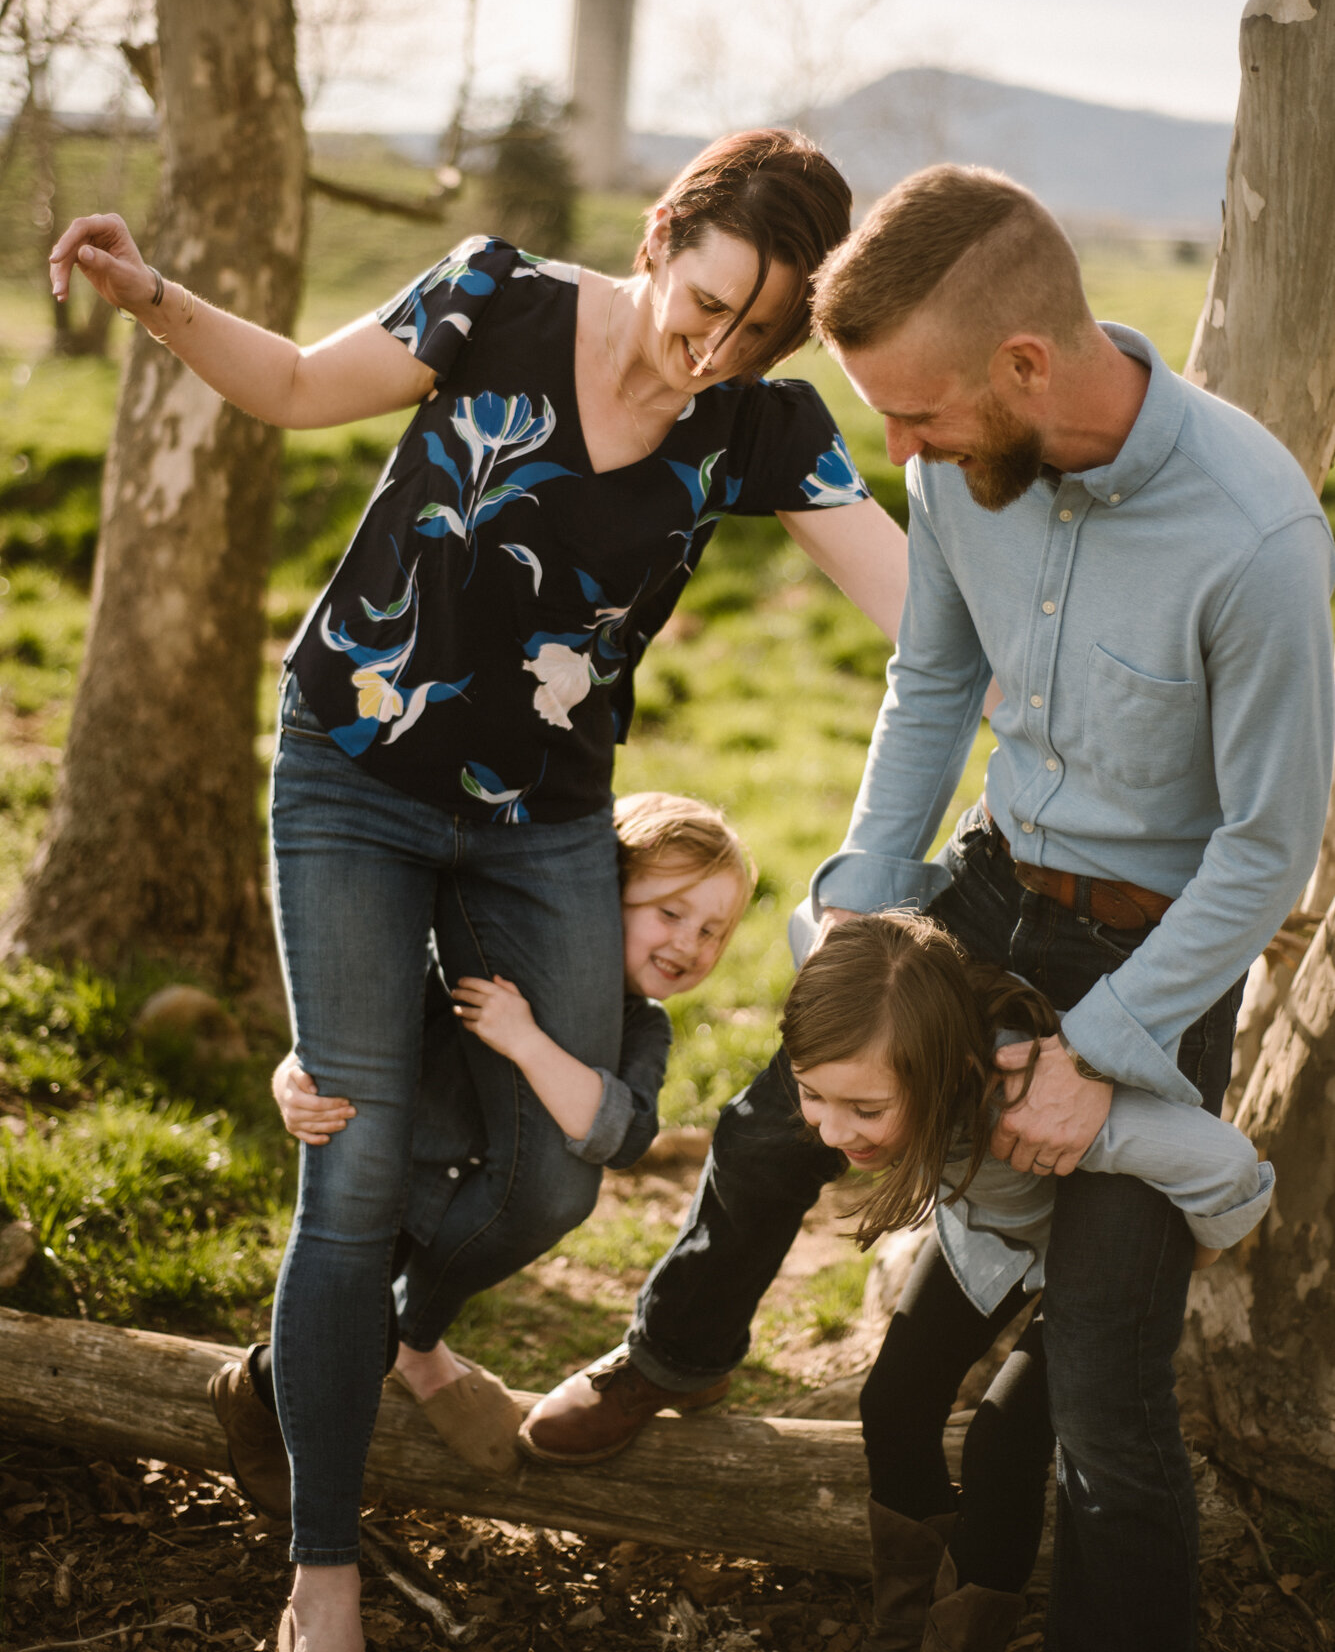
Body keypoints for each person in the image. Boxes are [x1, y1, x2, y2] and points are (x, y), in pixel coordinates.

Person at [49, 128, 909, 1652]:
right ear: (656, 234)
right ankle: (323, 1566)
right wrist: (153, 295)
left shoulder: (762, 427)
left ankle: (394, 1337)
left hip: (541, 822)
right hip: (352, 782)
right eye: (698, 301)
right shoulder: (492, 298)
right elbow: (305, 388)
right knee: (356, 1168)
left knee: (555, 1171)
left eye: (752, 331)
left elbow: (915, 607)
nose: (707, 347)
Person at [518, 163, 1335, 1652]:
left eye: (912, 414)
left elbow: (1265, 849)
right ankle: (676, 1351)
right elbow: (930, 685)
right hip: (985, 881)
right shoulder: (960, 468)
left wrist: (1103, 1055)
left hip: (1160, 949)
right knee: (777, 1123)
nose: (893, 452)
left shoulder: (1255, 541)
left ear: (1024, 364)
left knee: (1100, 1382)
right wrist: (860, 903)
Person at [781, 909, 1273, 1652]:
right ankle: (901, 1624)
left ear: (943, 1070)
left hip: (1092, 1258)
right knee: (892, 1402)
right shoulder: (859, 1015)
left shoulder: (1020, 1101)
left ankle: (964, 1636)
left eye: (866, 1109)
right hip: (992, 1238)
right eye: (811, 1094)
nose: (832, 1131)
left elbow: (1229, 1166)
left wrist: (1190, 1255)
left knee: (1002, 1443)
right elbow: (803, 921)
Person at [242, 790, 755, 1488]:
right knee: (349, 1330)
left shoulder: (643, 1026)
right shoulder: (479, 957)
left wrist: (526, 1041)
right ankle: (257, 1396)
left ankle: (397, 1353)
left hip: (476, 1207)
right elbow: (359, 1016)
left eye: (712, 932)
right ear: (604, 894)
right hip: (390, 1181)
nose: (687, 944)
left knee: (385, 1326)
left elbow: (624, 1134)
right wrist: (292, 1074)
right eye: (669, 913)